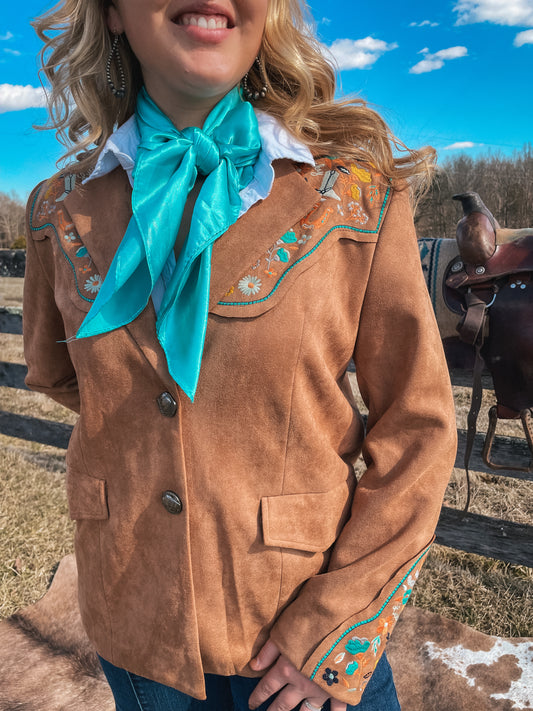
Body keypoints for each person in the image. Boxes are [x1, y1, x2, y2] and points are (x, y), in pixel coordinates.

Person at [24, 0, 457, 709]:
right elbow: (59, 373)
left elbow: (419, 425)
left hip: (301, 638)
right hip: (136, 626)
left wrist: (337, 620)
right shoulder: (56, 210)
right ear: (110, 14)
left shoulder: (354, 195)